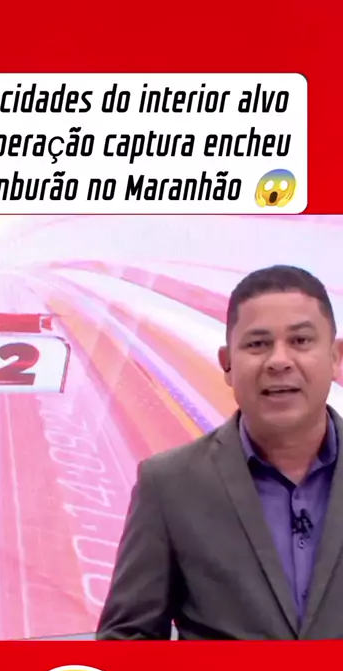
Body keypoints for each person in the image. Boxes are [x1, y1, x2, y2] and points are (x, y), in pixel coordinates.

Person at [96, 265, 343, 640]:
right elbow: (127, 640)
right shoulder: (169, 486)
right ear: (227, 363)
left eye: (301, 341)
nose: (279, 361)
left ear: (336, 357)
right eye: (257, 344)